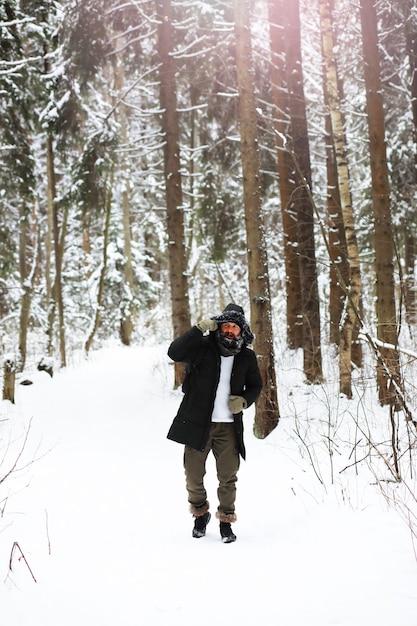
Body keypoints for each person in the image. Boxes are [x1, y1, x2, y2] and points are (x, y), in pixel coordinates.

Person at [167, 303, 262, 543]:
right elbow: (174, 353)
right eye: (226, 325)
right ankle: (200, 513)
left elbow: (255, 386)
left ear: (242, 331)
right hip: (198, 422)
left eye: (235, 327)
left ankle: (226, 522)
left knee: (228, 477)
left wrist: (244, 400)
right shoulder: (202, 347)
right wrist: (197, 329)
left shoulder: (246, 357)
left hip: (229, 427)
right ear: (219, 326)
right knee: (193, 474)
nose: (230, 330)